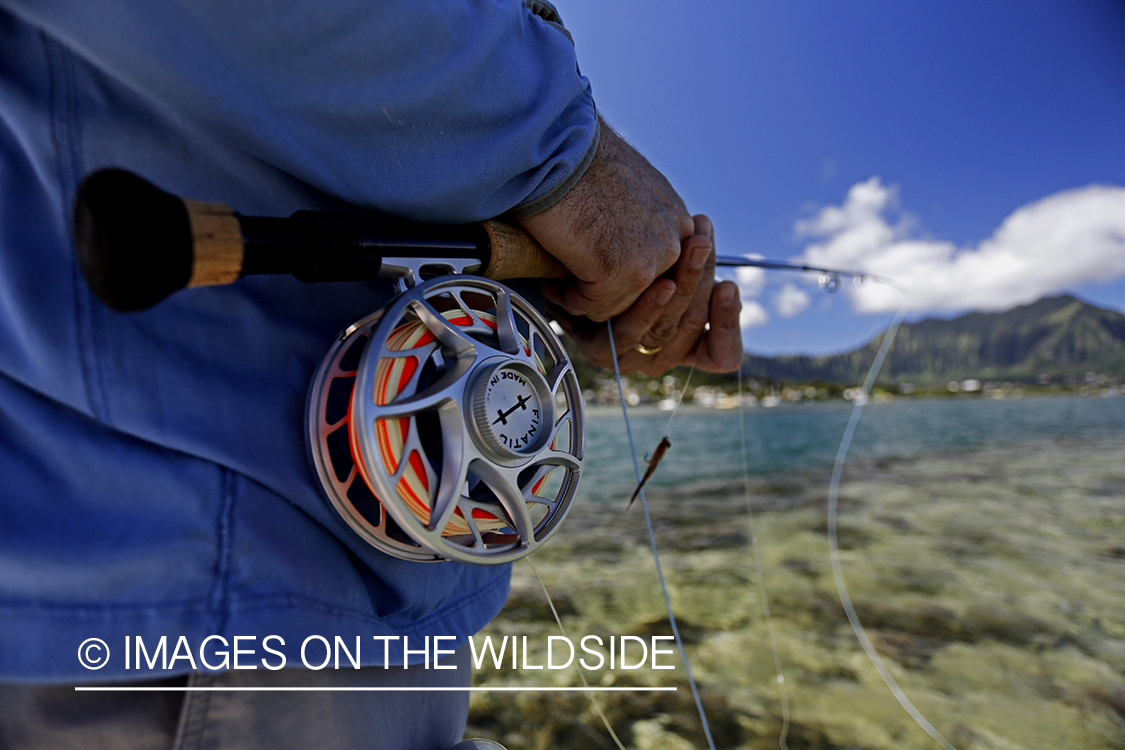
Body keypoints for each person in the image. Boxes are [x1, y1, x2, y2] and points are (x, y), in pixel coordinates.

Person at [0, 0, 742, 747]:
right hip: (209, 603)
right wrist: (566, 155)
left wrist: (577, 299)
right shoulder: (545, 140)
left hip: (379, 595)